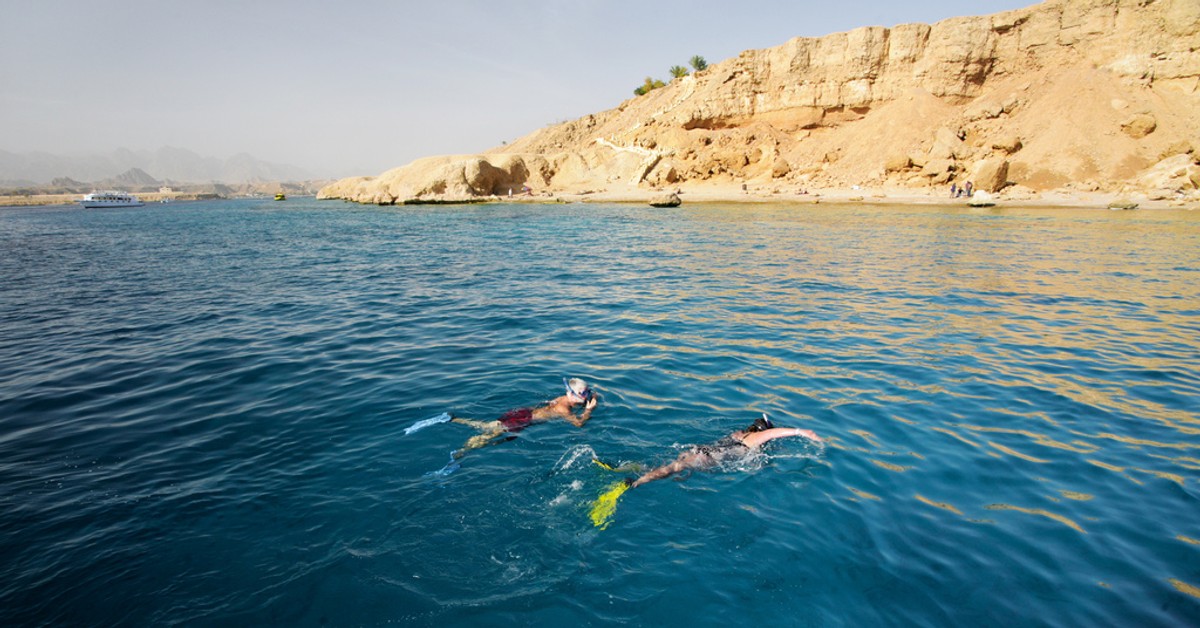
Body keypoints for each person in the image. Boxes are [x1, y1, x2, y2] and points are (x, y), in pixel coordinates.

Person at [626, 414, 821, 488]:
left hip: (700, 450)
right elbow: (773, 435)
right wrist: (801, 432)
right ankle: (636, 483)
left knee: (672, 468)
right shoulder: (754, 440)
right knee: (673, 469)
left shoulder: (739, 434)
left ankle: (632, 468)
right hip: (705, 458)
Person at [448, 377, 598, 458]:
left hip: (525, 412)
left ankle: (458, 420)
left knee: (493, 426)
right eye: (583, 393)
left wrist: (591, 395)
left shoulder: (562, 398)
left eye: (587, 392)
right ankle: (463, 450)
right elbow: (578, 424)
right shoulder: (563, 408)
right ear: (571, 393)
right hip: (525, 420)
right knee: (492, 435)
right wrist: (588, 411)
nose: (587, 396)